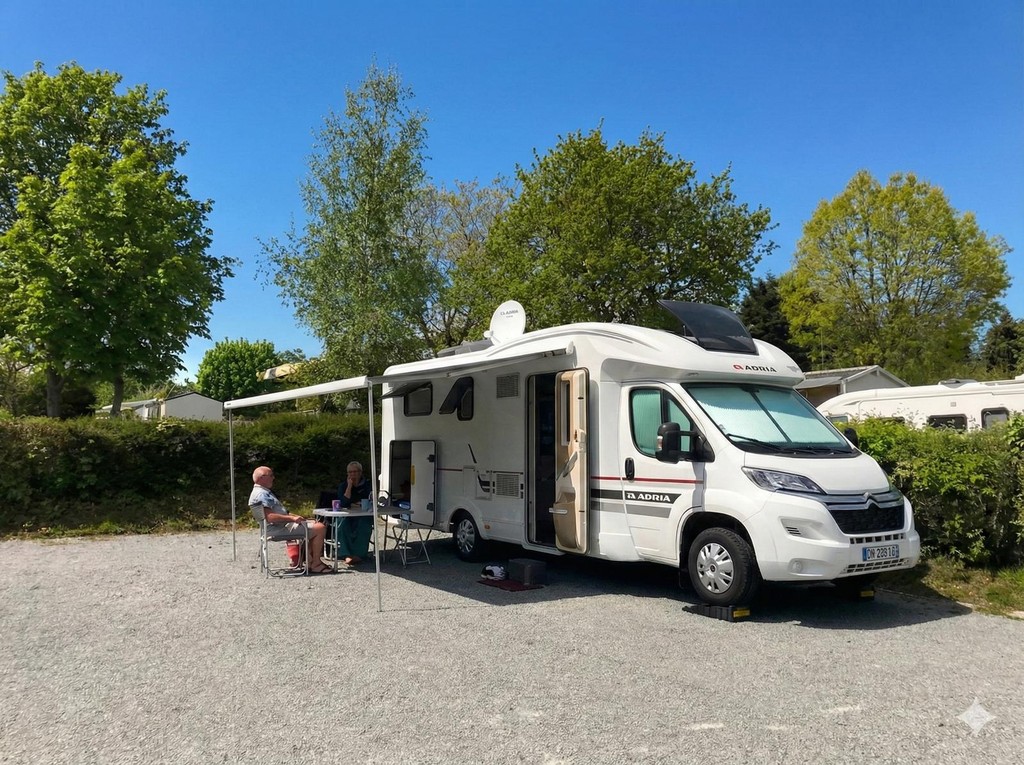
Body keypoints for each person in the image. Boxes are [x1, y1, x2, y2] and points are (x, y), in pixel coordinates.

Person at [249, 466, 334, 575]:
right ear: (261, 478)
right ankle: (316, 564)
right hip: (277, 529)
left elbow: (280, 513)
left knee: (314, 524)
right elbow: (270, 517)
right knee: (320, 528)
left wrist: (298, 517)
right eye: (271, 475)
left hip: (275, 527)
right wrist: (292, 518)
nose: (273, 478)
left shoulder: (260, 492)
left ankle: (310, 561)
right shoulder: (261, 494)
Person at [335, 460, 373, 565]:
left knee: (364, 525)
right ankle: (346, 554)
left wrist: (356, 503)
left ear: (360, 472)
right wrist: (349, 486)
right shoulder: (343, 486)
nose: (353, 474)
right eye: (350, 472)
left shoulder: (367, 484)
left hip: (363, 513)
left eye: (355, 472)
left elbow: (369, 500)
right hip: (347, 514)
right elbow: (343, 503)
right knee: (342, 526)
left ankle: (359, 554)